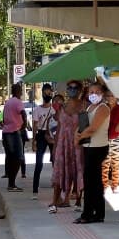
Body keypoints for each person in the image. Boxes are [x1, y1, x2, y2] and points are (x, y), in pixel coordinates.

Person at [75, 81, 111, 224]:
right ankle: (93, 213)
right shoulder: (90, 107)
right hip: (89, 146)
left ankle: (91, 214)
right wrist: (76, 136)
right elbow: (82, 125)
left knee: (92, 182)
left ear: (102, 93)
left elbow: (93, 128)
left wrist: (79, 136)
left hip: (98, 147)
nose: (93, 94)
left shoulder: (103, 108)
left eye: (96, 92)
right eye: (91, 92)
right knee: (92, 181)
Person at [48, 81, 86, 214]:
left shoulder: (84, 106)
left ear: (80, 90)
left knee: (78, 171)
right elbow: (59, 128)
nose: (72, 90)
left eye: (75, 88)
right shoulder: (62, 107)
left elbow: (85, 127)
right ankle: (55, 201)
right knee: (59, 171)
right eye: (70, 87)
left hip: (77, 144)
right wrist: (54, 146)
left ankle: (78, 201)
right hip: (62, 144)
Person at [0, 83, 28, 193]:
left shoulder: (8, 102)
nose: (21, 92)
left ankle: (10, 183)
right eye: (20, 90)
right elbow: (23, 113)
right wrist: (24, 125)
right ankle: (11, 184)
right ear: (18, 91)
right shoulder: (17, 102)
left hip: (6, 132)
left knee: (11, 157)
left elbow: (3, 117)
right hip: (14, 132)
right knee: (19, 157)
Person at [30, 86, 57, 196]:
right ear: (42, 93)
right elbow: (35, 125)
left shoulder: (55, 109)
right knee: (39, 163)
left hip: (52, 135)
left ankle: (57, 186)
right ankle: (35, 190)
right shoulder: (37, 110)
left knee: (55, 161)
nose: (47, 95)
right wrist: (34, 141)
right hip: (41, 135)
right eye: (46, 93)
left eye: (49, 93)